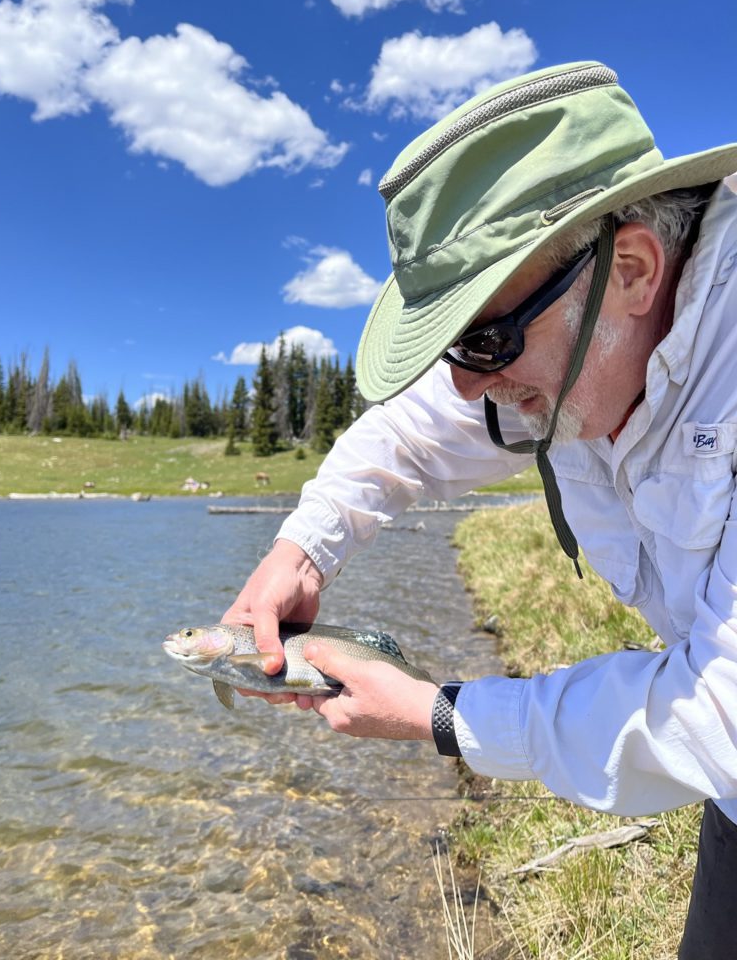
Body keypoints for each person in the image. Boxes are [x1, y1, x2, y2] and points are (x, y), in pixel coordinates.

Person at [222, 61, 737, 958]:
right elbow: (409, 434)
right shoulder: (576, 338)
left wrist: (444, 715)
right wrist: (302, 550)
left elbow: (723, 714)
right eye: (454, 345)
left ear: (633, 267)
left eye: (486, 339)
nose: (465, 382)